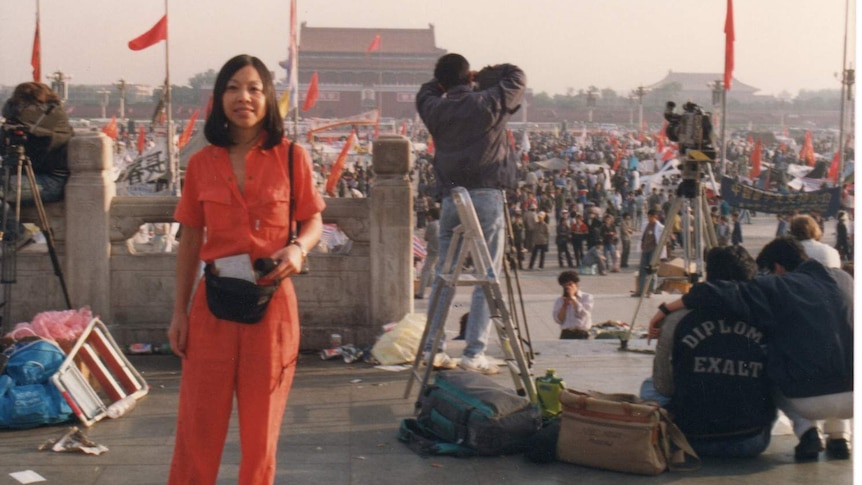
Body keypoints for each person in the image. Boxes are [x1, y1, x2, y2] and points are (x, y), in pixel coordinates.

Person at [166, 54, 326, 484]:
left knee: (261, 433)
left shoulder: (293, 158)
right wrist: (179, 313)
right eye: (233, 88)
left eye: (255, 88)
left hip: (272, 307)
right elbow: (189, 243)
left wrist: (297, 248)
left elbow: (313, 219)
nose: (244, 97)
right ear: (219, 99)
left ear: (269, 97)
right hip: (212, 306)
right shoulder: (201, 164)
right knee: (197, 428)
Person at [648, 237, 853, 462]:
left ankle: (809, 430)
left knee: (651, 386)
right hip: (850, 398)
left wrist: (666, 309)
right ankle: (838, 435)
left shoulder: (776, 287)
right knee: (834, 360)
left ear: (777, 268)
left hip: (694, 438)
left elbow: (717, 292)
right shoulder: (844, 279)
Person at [416, 53, 526, 375]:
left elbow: (425, 91)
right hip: (487, 195)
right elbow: (517, 75)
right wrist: (485, 75)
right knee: (486, 278)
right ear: (469, 78)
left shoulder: (434, 107)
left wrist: (453, 81)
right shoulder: (488, 101)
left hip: (452, 199)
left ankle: (432, 348)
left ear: (442, 83)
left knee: (443, 276)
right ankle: (474, 352)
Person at [640, 245, 776, 457]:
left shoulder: (677, 318)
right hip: (751, 439)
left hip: (690, 440)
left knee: (649, 385)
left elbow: (663, 385)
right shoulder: (766, 315)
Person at [0, 82, 73, 245]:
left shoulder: (53, 118)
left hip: (50, 181)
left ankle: (16, 233)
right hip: (25, 176)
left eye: (24, 105)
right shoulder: (24, 122)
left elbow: (44, 145)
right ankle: (4, 235)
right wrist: (8, 132)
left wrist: (28, 134)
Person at [553, 270, 594, 339]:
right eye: (565, 286)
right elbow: (559, 320)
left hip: (582, 333)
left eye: (570, 284)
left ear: (576, 285)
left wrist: (574, 299)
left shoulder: (587, 297)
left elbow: (582, 314)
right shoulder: (559, 300)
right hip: (566, 333)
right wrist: (564, 305)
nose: (568, 288)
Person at [634, 209, 664, 297]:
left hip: (654, 250)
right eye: (649, 217)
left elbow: (662, 241)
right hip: (645, 250)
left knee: (652, 270)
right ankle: (640, 291)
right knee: (642, 270)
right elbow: (642, 237)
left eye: (652, 217)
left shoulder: (660, 227)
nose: (650, 218)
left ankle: (651, 290)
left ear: (656, 217)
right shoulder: (645, 225)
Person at [415, 206, 440, 299]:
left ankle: (421, 292)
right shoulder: (441, 224)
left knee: (425, 271)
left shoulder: (431, 224)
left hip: (433, 251)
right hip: (440, 251)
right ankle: (434, 292)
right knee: (433, 271)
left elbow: (426, 238)